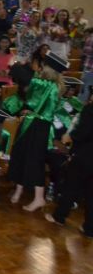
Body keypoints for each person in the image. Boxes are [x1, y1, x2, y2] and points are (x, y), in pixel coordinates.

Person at [9, 51, 66, 212]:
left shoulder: (49, 85)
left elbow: (28, 81)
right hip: (35, 123)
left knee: (34, 161)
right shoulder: (51, 85)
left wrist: (16, 65)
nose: (41, 68)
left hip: (38, 127)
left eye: (44, 65)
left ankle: (39, 198)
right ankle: (19, 190)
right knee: (23, 156)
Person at [45, 98, 93, 238]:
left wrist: (71, 137)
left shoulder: (90, 110)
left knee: (71, 186)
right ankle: (89, 228)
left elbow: (82, 133)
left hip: (84, 155)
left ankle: (59, 217)